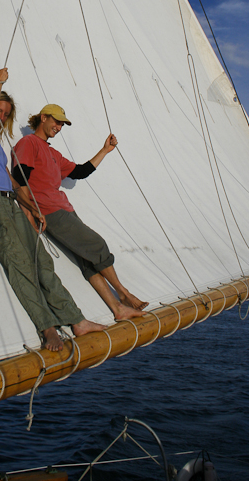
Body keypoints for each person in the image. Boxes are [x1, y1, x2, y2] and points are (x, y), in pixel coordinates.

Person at [0, 68, 105, 352]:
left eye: (5, 114)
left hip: (9, 202)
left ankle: (76, 320)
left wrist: (32, 206)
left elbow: (12, 181)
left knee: (42, 261)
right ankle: (48, 328)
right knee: (20, 265)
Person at [12, 104, 148, 321]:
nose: (59, 127)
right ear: (43, 118)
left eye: (62, 124)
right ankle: (123, 293)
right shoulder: (29, 143)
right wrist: (31, 211)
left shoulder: (52, 153)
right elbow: (20, 177)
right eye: (56, 122)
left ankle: (118, 309)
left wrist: (105, 150)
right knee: (97, 245)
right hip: (50, 211)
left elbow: (80, 172)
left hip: (64, 209)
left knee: (87, 262)